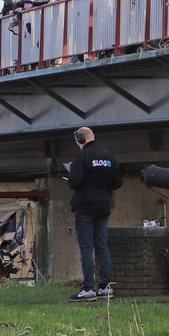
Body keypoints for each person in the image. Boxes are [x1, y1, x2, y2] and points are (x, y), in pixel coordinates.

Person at [66, 126, 122, 300]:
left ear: (80, 139)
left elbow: (74, 183)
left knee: (86, 248)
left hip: (85, 208)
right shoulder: (108, 156)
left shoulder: (82, 157)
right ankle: (106, 287)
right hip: (103, 207)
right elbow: (117, 182)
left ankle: (88, 288)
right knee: (102, 247)